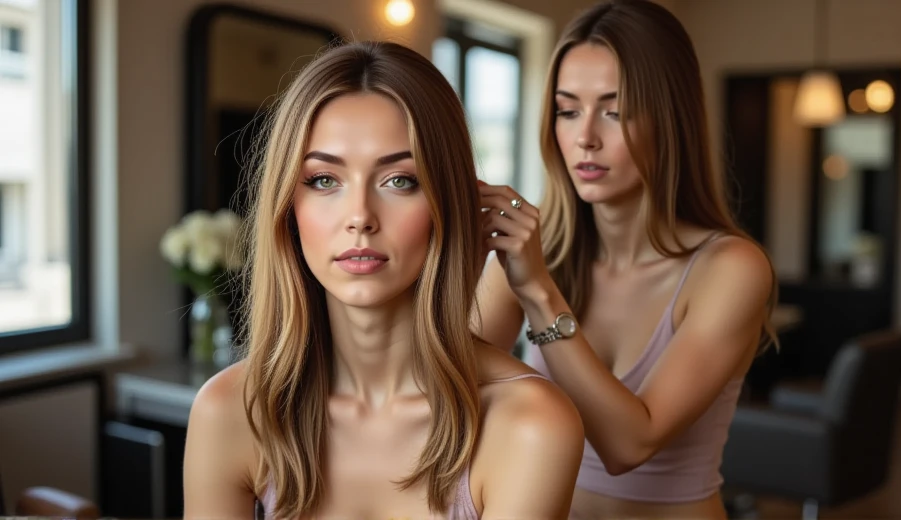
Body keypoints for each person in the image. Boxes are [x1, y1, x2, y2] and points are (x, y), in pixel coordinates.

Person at [183, 41, 584, 520]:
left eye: (399, 180)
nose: (359, 218)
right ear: (289, 208)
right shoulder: (228, 411)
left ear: (448, 204)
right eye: (324, 180)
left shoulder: (530, 423)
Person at [474, 0, 778, 518]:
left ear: (670, 118)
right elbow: (448, 393)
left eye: (615, 111)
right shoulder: (535, 248)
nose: (585, 136)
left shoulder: (731, 269)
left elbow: (629, 445)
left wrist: (539, 294)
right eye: (568, 110)